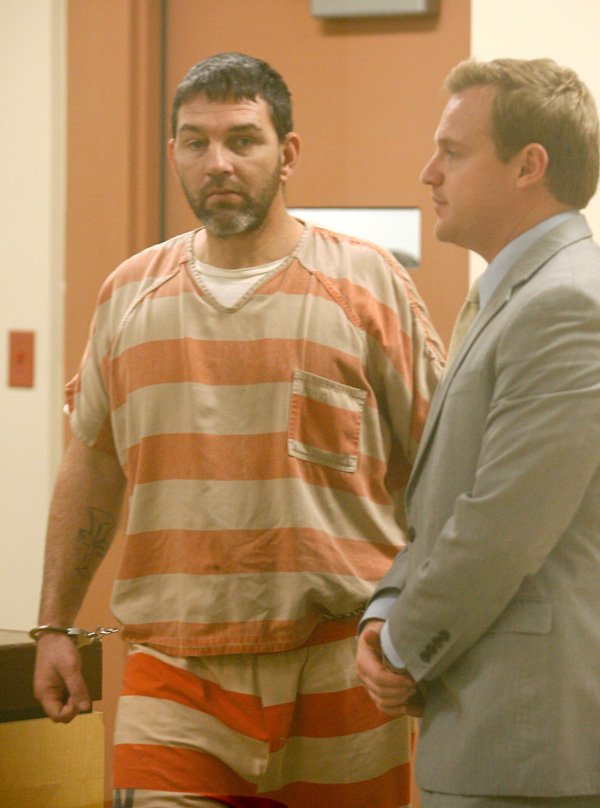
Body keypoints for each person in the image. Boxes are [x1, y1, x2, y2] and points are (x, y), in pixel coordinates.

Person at [32, 52, 444, 808]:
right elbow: (90, 462)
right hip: (175, 672)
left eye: (243, 140)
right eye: (196, 142)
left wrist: (429, 628)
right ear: (174, 155)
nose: (217, 162)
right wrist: (54, 623)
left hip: (343, 666)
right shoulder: (129, 294)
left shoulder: (367, 283)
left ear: (287, 153)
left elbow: (438, 468)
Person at [356, 56, 600, 808]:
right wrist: (384, 607)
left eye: (454, 152)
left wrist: (400, 643)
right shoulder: (510, 297)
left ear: (530, 166)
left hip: (525, 741)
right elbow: (443, 502)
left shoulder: (566, 304)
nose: (429, 172)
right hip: (490, 723)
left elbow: (503, 523)